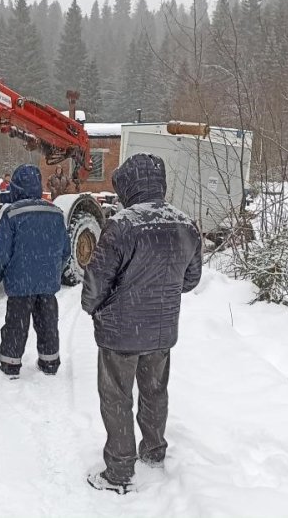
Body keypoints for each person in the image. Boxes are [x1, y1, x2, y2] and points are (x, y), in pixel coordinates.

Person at [81, 154, 202, 494]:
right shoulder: (185, 224)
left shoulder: (121, 224)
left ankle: (119, 471)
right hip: (162, 329)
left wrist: (94, 308)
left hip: (121, 333)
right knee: (154, 391)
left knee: (117, 397)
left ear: (130, 185)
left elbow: (96, 279)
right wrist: (159, 291)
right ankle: (153, 450)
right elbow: (191, 279)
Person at [0, 164, 71, 379]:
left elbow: (0, 251)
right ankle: (50, 362)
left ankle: (11, 365)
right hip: (47, 284)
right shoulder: (55, 212)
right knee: (48, 324)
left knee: (16, 325)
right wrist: (53, 271)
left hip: (19, 284)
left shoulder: (12, 214)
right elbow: (65, 250)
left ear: (15, 187)